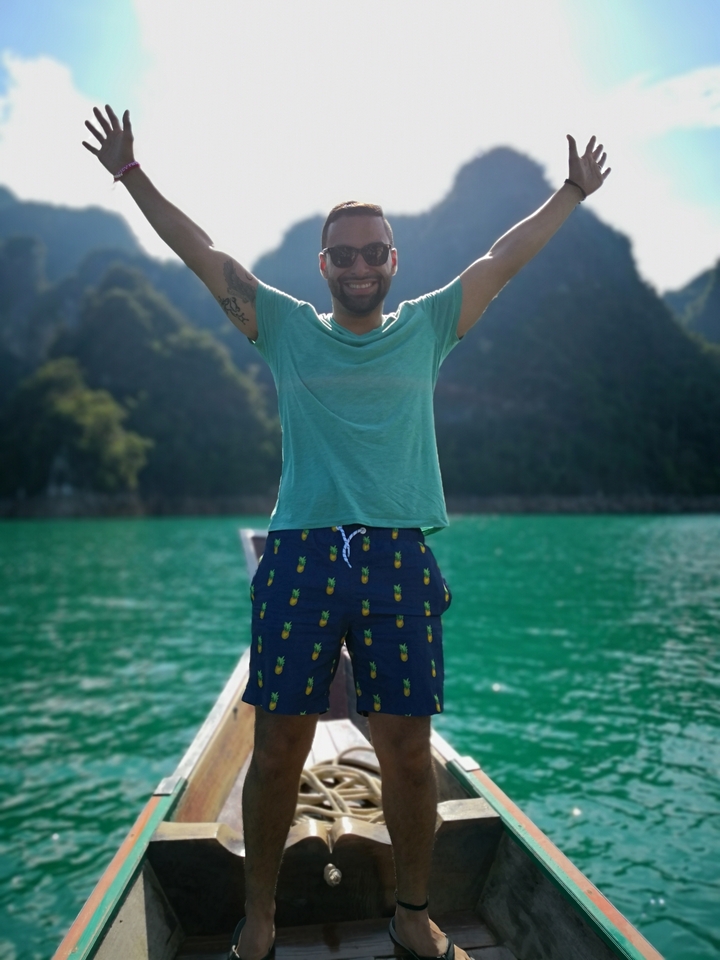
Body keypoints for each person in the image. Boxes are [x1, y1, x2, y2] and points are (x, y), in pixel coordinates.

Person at [83, 106, 610, 960]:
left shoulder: (431, 325)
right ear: (323, 265)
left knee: (406, 750)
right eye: (345, 254)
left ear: (392, 262)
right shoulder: (284, 329)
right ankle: (259, 915)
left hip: (399, 555)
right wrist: (132, 175)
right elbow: (204, 255)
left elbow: (502, 261)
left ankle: (410, 909)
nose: (361, 265)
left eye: (375, 252)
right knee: (279, 741)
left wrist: (572, 193)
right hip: (301, 555)